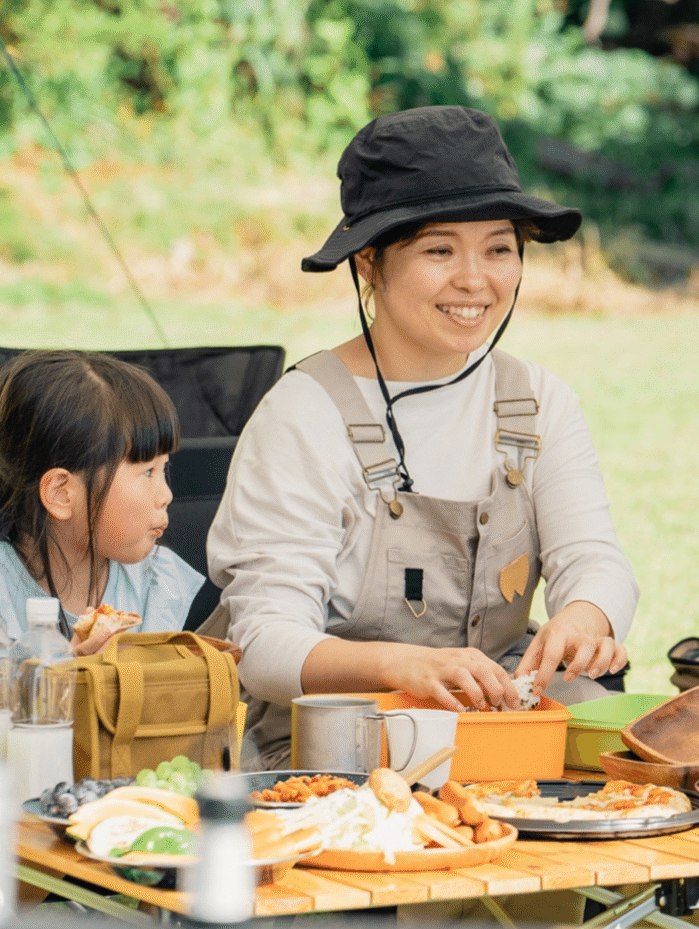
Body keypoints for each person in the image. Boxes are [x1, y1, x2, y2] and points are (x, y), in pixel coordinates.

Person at [205, 105, 637, 771]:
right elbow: (263, 646)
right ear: (369, 266)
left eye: (498, 248)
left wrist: (584, 620)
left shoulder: (538, 400)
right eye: (439, 250)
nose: (474, 280)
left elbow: (597, 562)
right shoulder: (303, 414)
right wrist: (403, 665)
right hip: (327, 756)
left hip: (498, 739)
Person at [0, 350, 205, 651]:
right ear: (61, 493)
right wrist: (66, 674)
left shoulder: (157, 583)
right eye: (147, 471)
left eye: (165, 468)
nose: (167, 495)